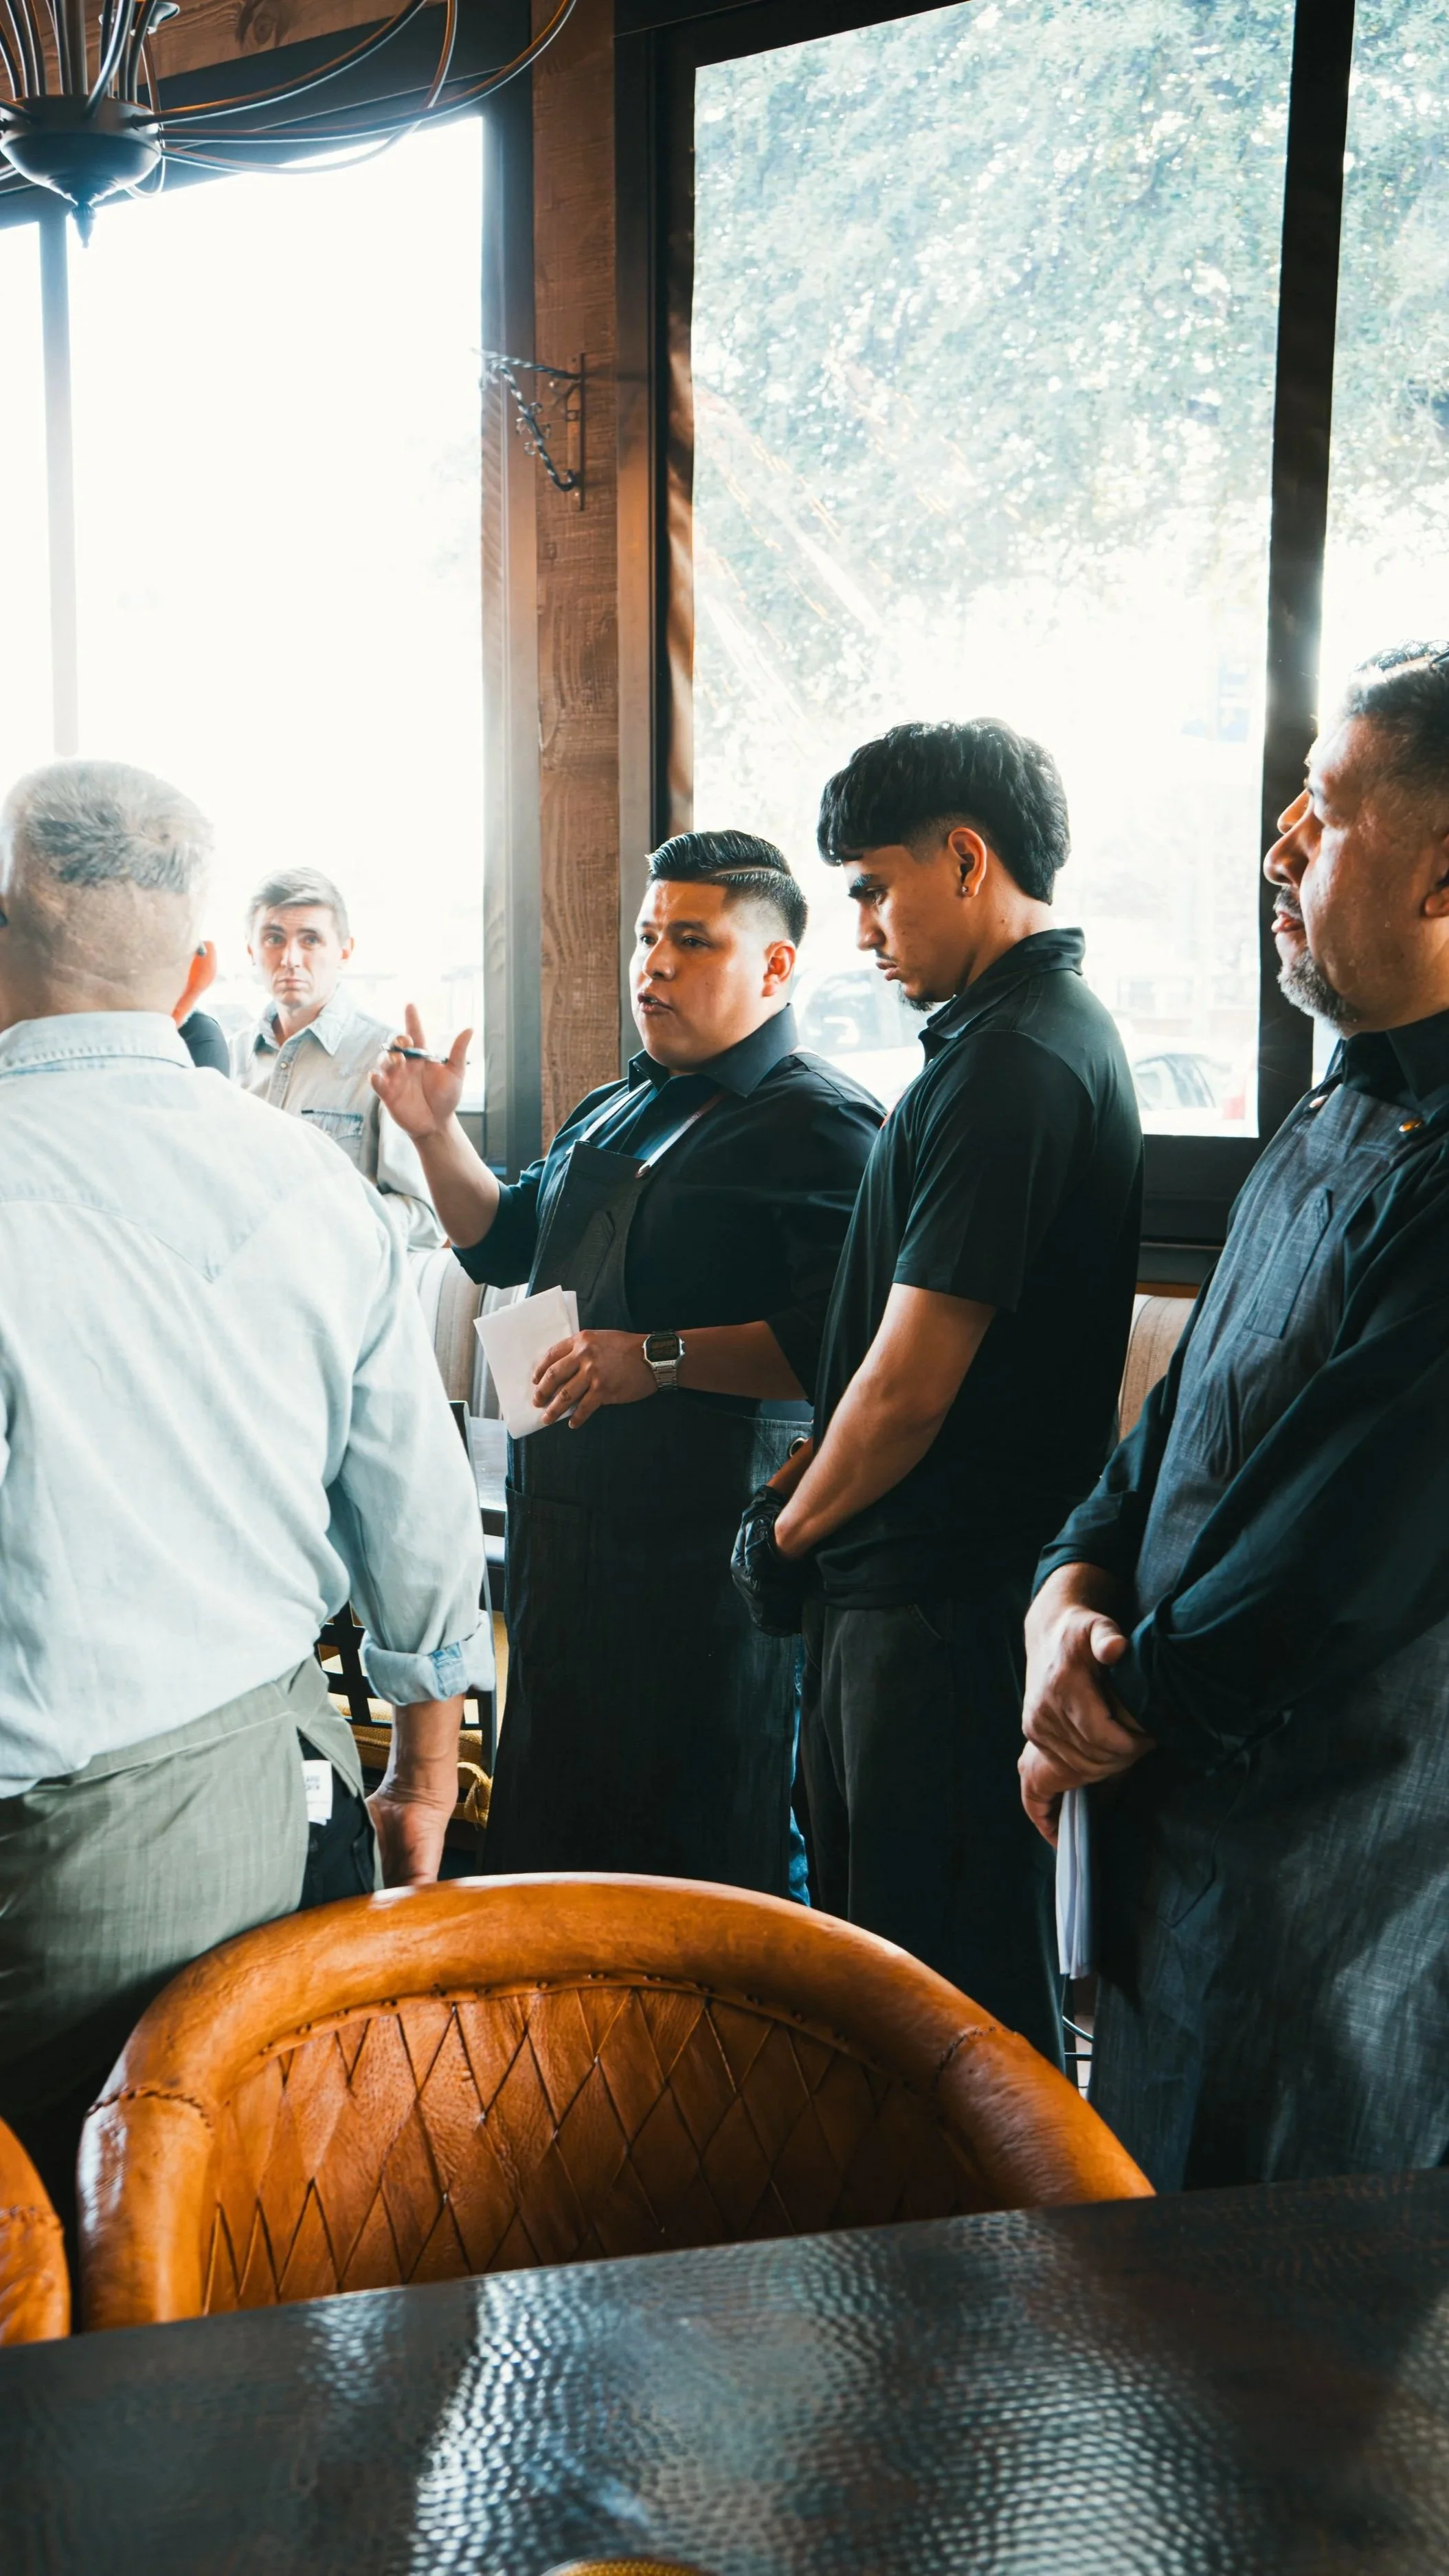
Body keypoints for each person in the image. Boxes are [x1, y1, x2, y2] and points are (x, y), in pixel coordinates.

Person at [0, 760, 492, 2208]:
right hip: (285, 1812)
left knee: (49, 2269)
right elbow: (417, 1515)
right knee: (243, 2224)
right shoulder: (308, 1183)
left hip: (54, 1862)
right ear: (202, 971)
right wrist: (420, 1778)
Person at [1020, 641, 1449, 2188]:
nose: (1277, 848)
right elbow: (1182, 1419)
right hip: (1179, 1840)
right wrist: (1064, 1592)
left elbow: (1350, 1535)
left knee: (1276, 2302)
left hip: (1345, 1889)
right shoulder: (1337, 1103)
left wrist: (1110, 1707)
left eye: (1321, 812)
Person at [733, 721, 1142, 2066]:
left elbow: (910, 1383)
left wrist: (786, 1533)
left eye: (871, 886)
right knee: (882, 1980)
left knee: (934, 2018)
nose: (860, 928)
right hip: (910, 1596)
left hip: (938, 1612)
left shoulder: (1018, 1061)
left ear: (965, 859)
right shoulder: (999, 1040)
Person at [374, 831, 881, 1894]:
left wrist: (655, 1358)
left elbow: (843, 1344)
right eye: (648, 936)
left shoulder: (821, 1123)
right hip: (569, 1550)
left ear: (775, 966)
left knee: (705, 1859)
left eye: (691, 941)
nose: (652, 964)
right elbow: (505, 1239)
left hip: (706, 1571)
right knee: (553, 1846)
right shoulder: (619, 1101)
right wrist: (432, 1134)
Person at [231, 866, 443, 1252]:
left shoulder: (387, 1060)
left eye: (310, 940)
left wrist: (322, 1223)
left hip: (338, 1279)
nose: (290, 958)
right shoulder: (229, 1058)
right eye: (274, 938)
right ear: (251, 950)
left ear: (344, 951)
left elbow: (426, 1220)